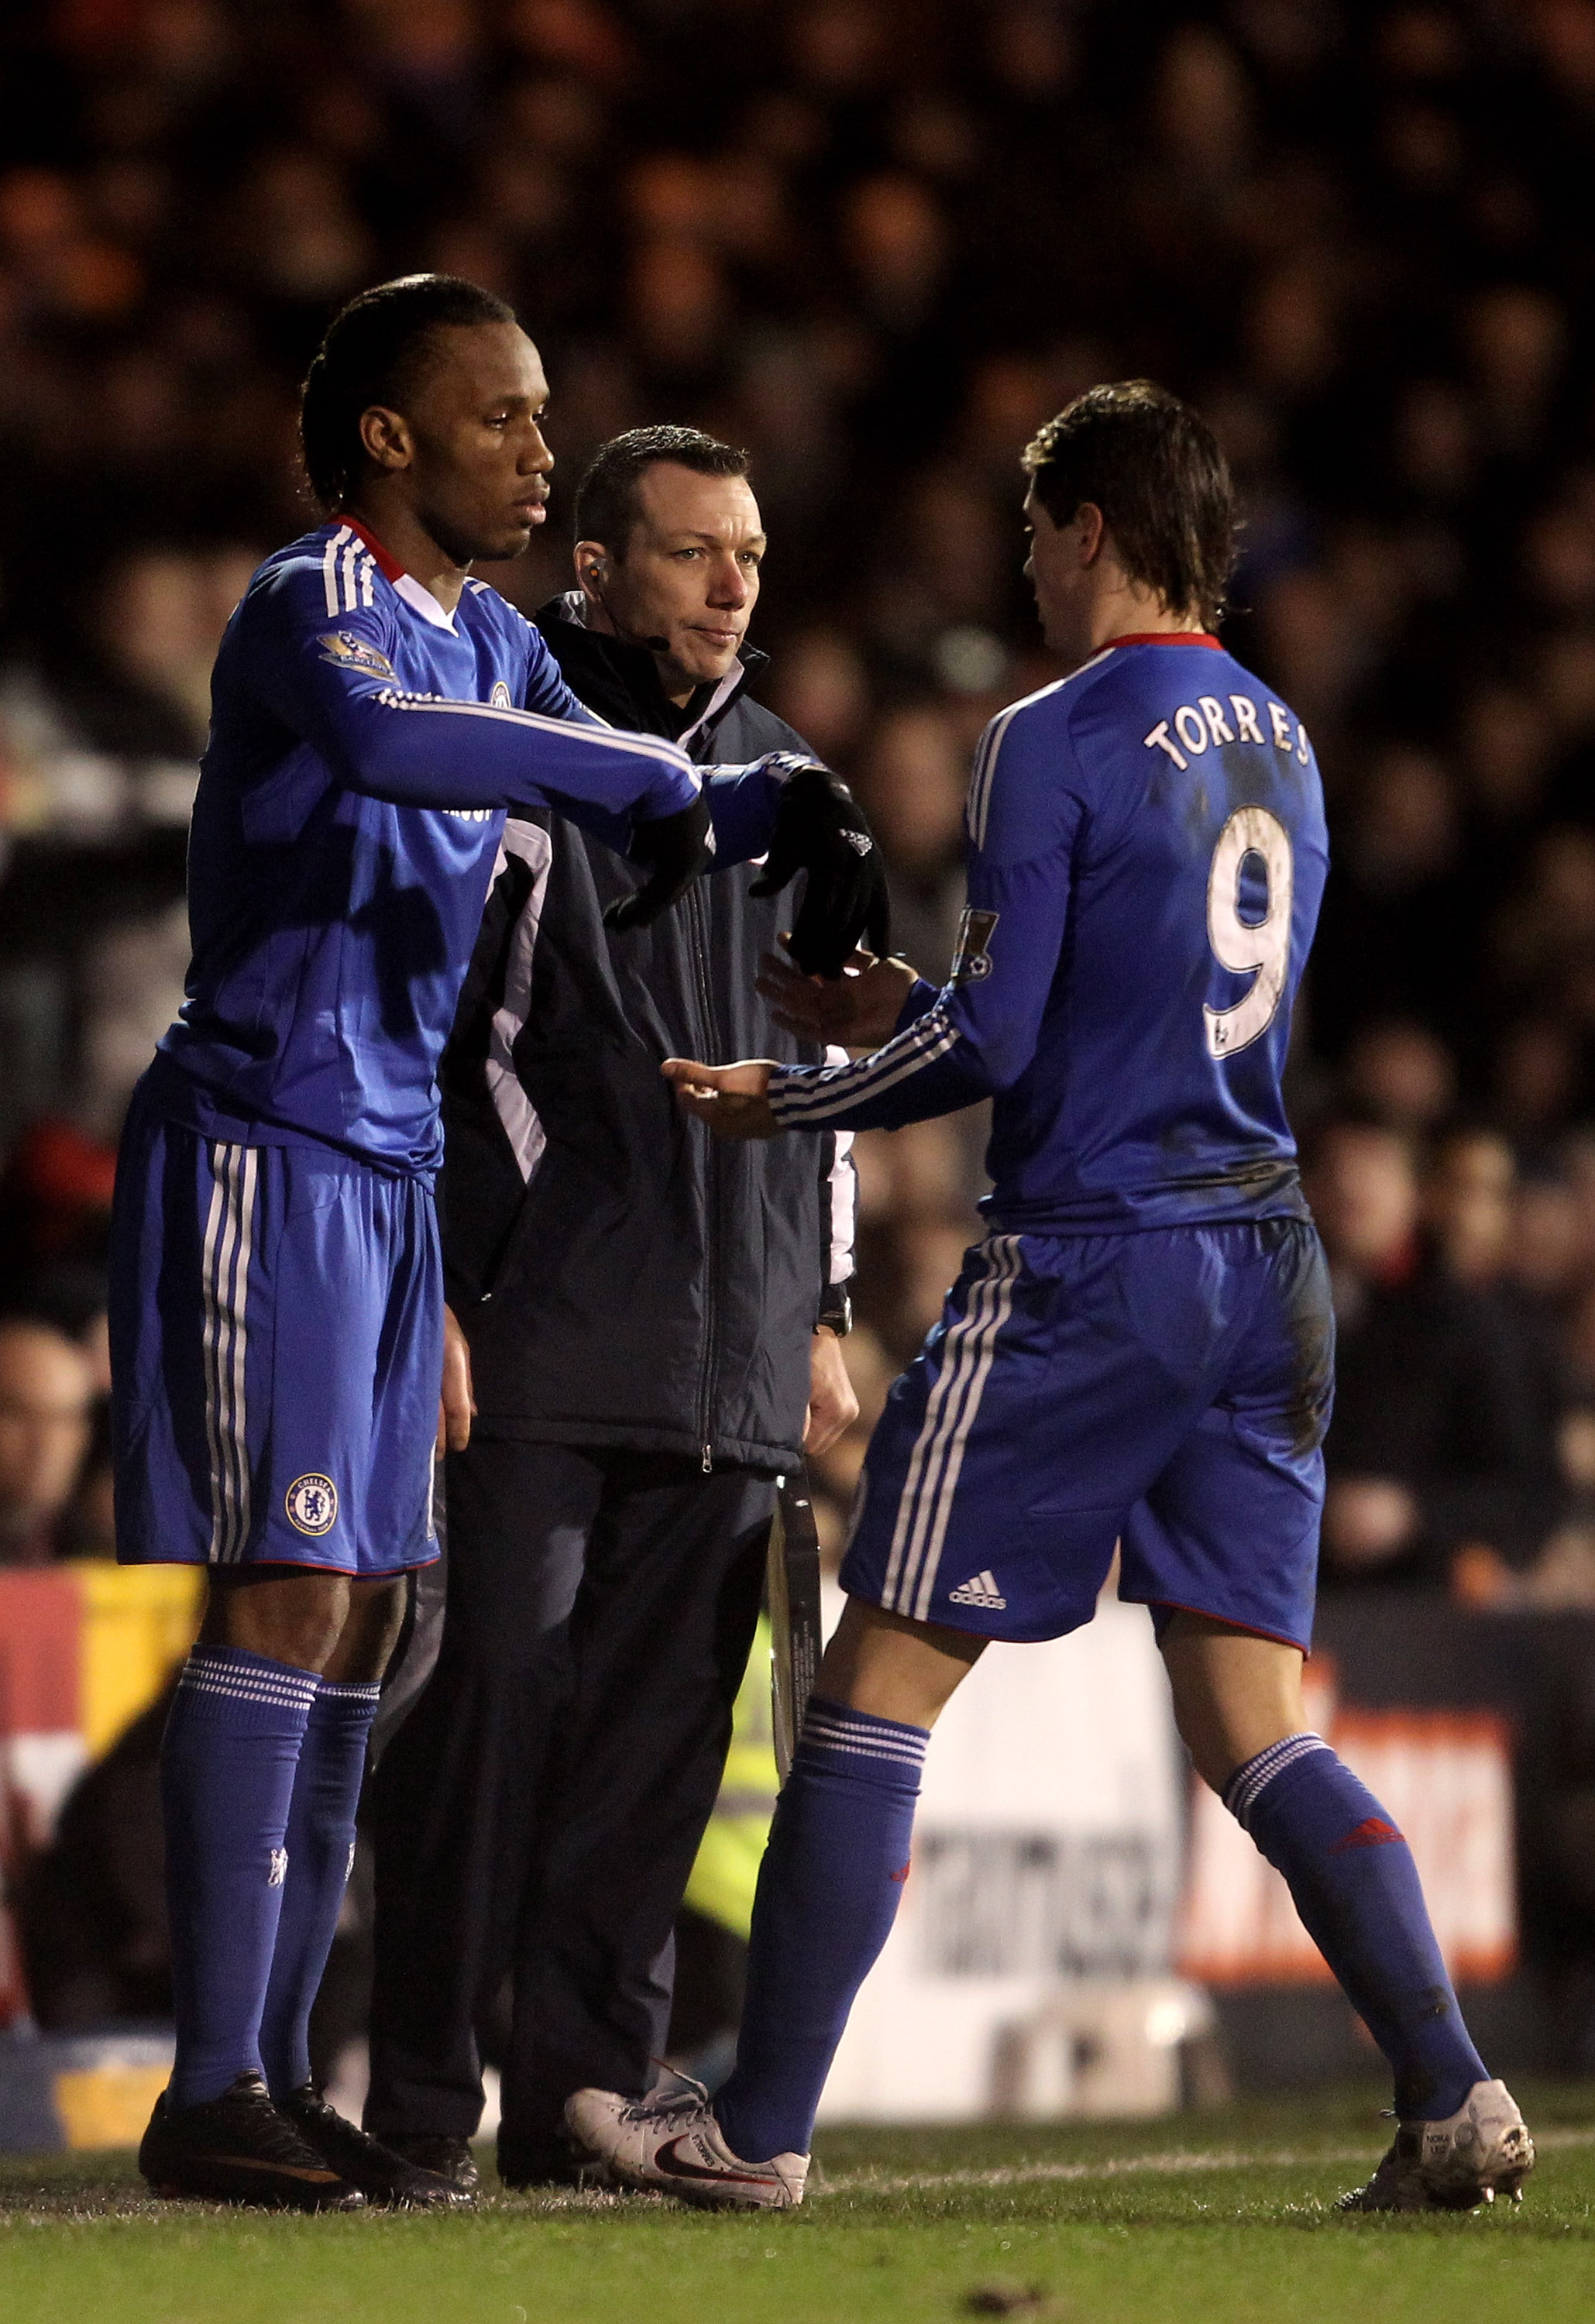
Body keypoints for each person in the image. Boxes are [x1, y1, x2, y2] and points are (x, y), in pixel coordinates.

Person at [565, 382, 1537, 2216]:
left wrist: (797, 1096)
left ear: (1088, 527)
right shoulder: (1286, 736)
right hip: (1266, 1257)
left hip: (1096, 1259)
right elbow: (1121, 1001)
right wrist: (906, 1015)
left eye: (1033, 530)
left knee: (872, 1688)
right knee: (1256, 1723)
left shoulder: (1046, 732)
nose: (1023, 564)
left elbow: (1004, 1042)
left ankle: (755, 2130)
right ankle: (1449, 2095)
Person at [108, 274, 873, 2213]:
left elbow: (658, 802)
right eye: (505, 414)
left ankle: (277, 2076)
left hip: (383, 1178)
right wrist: (658, 780)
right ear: (390, 436)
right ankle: (210, 2081)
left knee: (362, 1610)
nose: (541, 443)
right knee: (289, 1590)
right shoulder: (319, 607)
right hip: (268, 1145)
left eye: (544, 417)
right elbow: (400, 755)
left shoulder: (489, 645)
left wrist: (800, 806)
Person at [363, 426, 865, 2192]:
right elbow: (431, 1044)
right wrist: (433, 1290)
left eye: (747, 553)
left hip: (732, 1350)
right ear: (596, 569)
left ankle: (582, 2104)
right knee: (486, 1707)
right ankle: (419, 2101)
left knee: (656, 1753)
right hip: (539, 1319)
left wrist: (825, 1307)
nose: (733, 585)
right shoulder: (518, 766)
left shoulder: (800, 783)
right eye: (688, 554)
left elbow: (826, 1067)